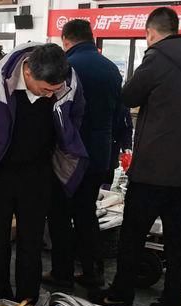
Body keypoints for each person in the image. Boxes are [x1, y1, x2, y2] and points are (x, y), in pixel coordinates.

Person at [94, 8, 181, 306]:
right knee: (178, 242)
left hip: (152, 170)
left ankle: (121, 294)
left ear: (151, 32)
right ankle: (170, 305)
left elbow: (128, 96)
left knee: (133, 235)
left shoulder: (156, 59)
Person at [0, 43, 87, 301]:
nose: (50, 95)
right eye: (45, 89)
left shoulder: (67, 79)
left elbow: (78, 113)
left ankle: (27, 300)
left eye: (54, 90)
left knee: (32, 242)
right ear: (28, 74)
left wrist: (66, 144)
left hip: (38, 173)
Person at [45, 19, 123, 290]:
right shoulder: (111, 68)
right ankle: (93, 271)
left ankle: (62, 273)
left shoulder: (65, 67)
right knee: (87, 214)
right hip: (99, 154)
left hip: (68, 156)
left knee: (59, 215)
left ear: (66, 39)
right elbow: (120, 114)